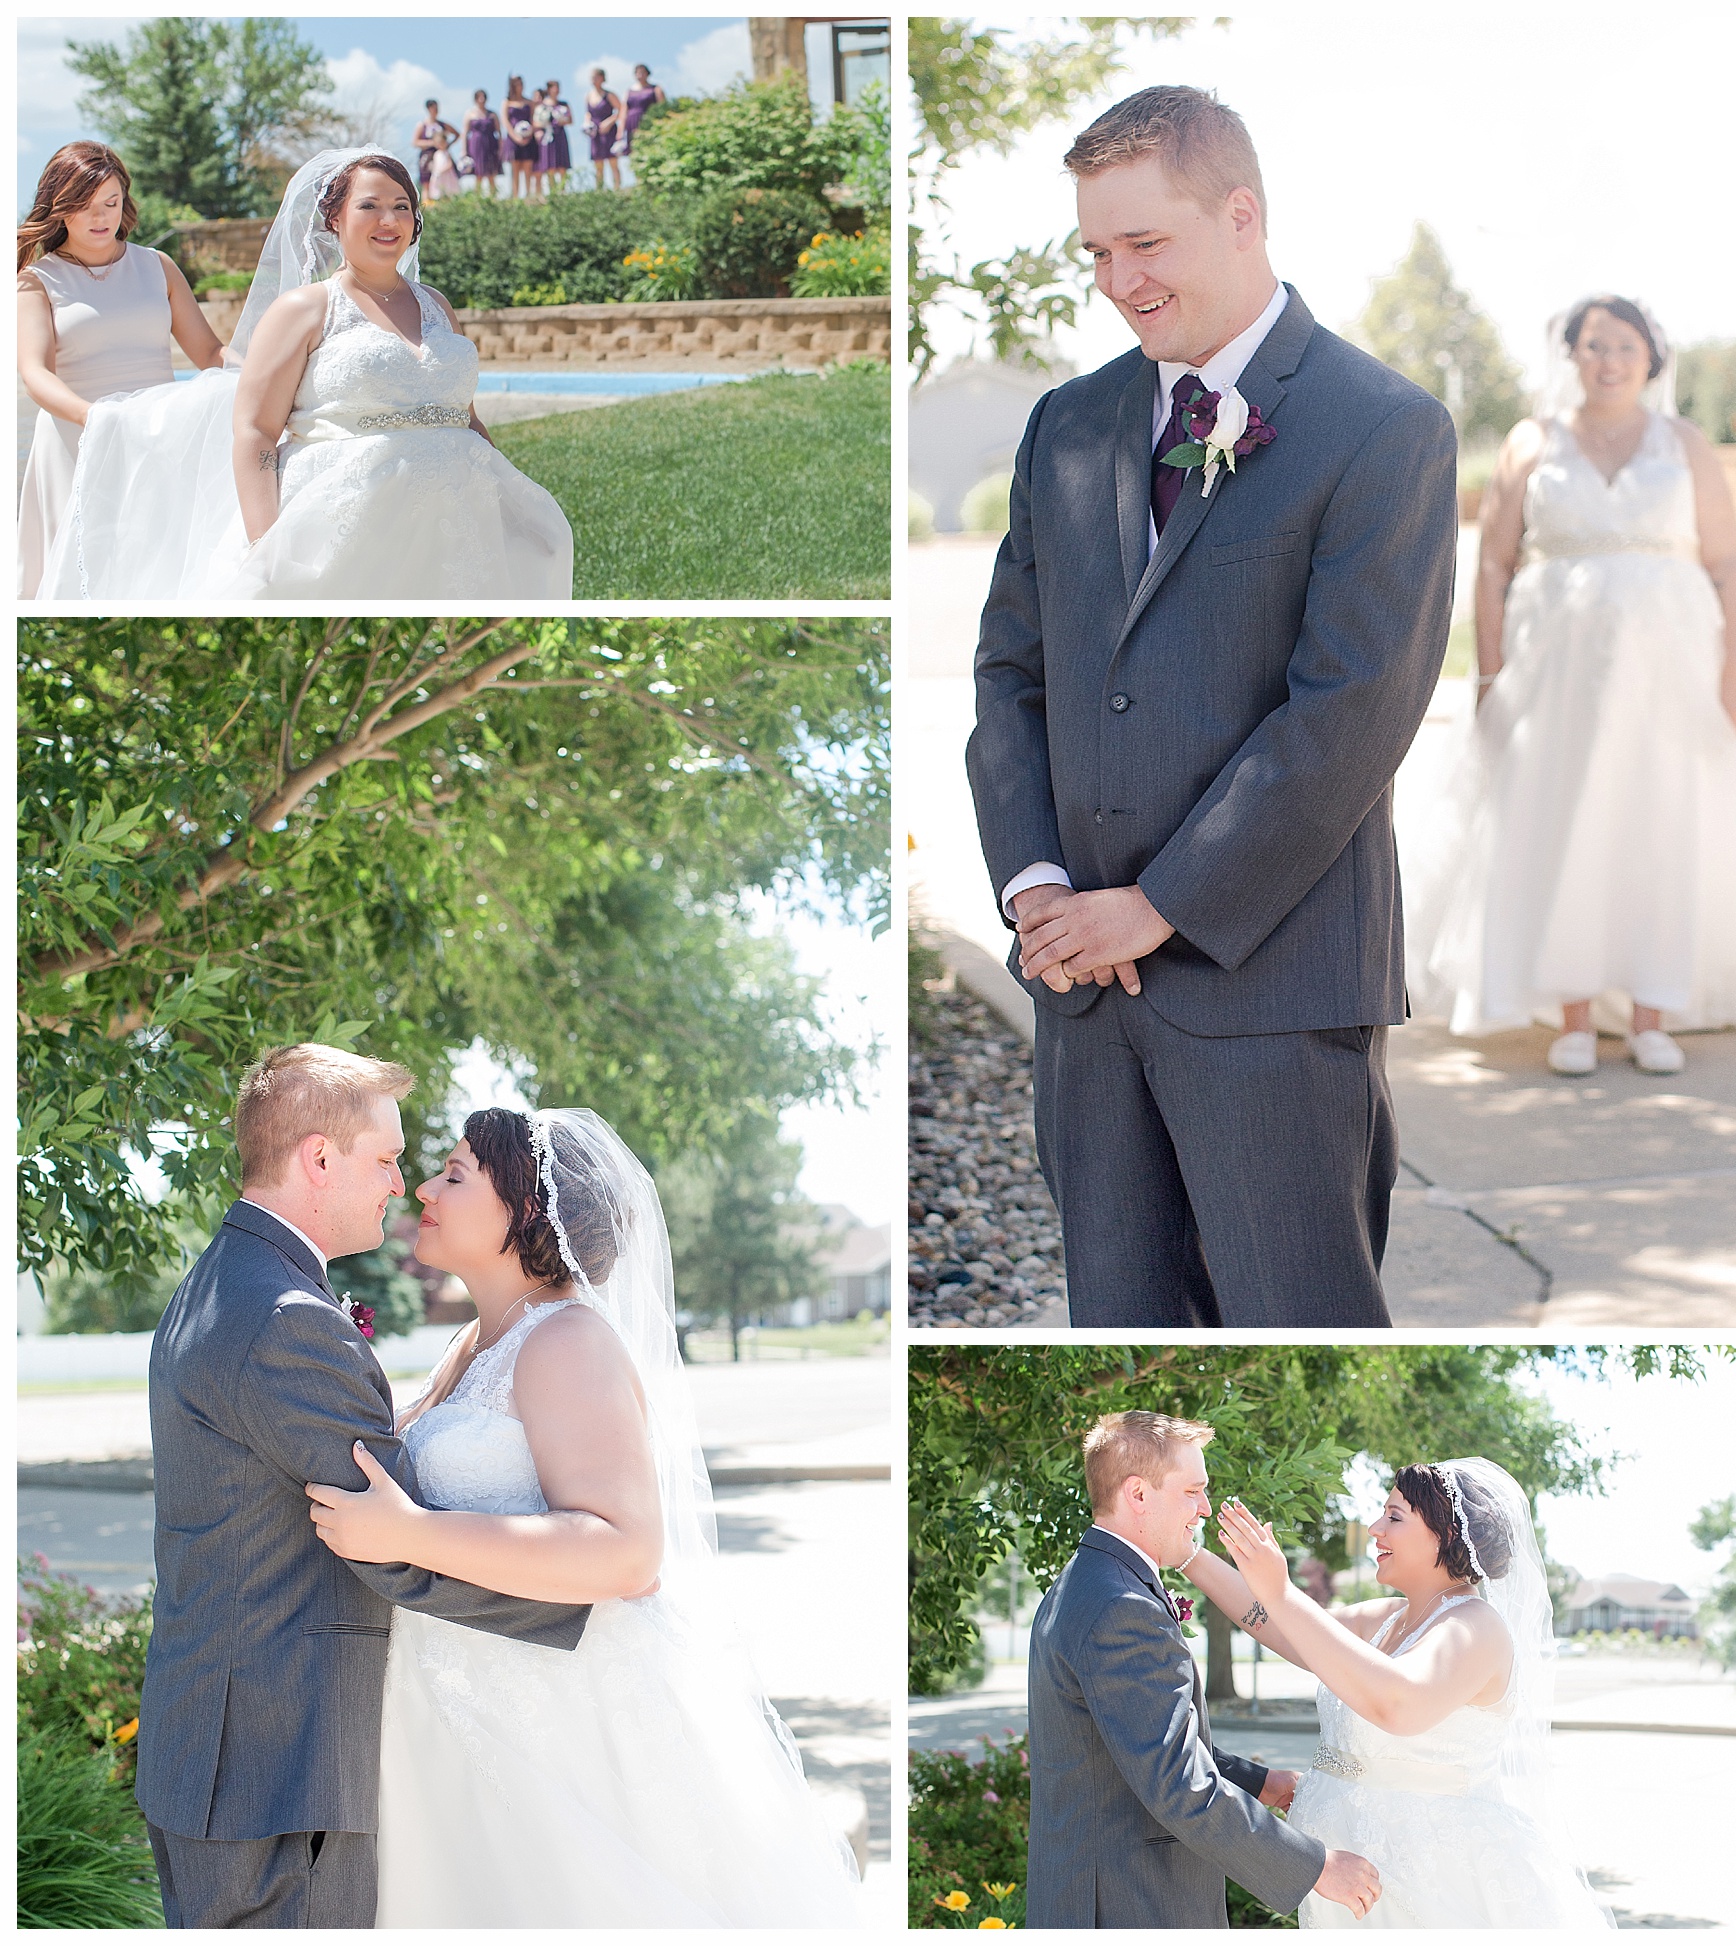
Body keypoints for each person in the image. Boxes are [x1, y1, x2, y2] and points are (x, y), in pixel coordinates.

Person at [965, 86, 1456, 1329]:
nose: (1118, 281)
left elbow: (1348, 715)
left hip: (1275, 997)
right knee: (1121, 1343)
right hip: (1082, 996)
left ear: (1242, 215)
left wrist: (1158, 905)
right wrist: (1037, 892)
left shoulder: (1384, 428)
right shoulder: (1064, 427)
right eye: (1096, 253)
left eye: (1145, 245)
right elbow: (1009, 676)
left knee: (1298, 1323)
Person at [305, 1106, 863, 1927]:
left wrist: (408, 1534)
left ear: (525, 1211)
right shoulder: (474, 1342)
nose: (424, 1187)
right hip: (458, 1710)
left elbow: (626, 1551)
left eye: (455, 1175)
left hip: (553, 1723)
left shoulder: (568, 1342)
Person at [134, 1046, 592, 1929]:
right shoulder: (285, 1321)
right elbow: (387, 1540)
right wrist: (597, 1601)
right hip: (276, 1772)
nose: (402, 1183)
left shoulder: (222, 1285)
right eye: (385, 1159)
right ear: (318, 1158)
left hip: (224, 1753)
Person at [1402, 295, 1736, 1076]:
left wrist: (1734, 676)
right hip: (1554, 675)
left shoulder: (1686, 446)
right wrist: (1490, 671)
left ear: (1651, 356)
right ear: (1570, 356)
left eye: (1625, 345)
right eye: (1593, 345)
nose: (1609, 360)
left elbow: (1728, 565)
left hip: (1668, 673)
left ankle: (1652, 1013)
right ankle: (1571, 1014)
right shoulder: (1531, 442)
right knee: (1563, 822)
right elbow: (1498, 564)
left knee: (1660, 825)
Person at [40, 146, 573, 599]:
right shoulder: (303, 309)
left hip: (460, 518)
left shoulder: (437, 305)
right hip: (348, 523)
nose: (388, 220)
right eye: (370, 206)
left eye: (401, 207)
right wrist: (265, 543)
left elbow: (467, 419)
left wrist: (512, 499)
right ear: (334, 218)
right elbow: (255, 431)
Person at [1196, 1464, 1615, 1928]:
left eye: (1394, 1517)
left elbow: (1397, 1706)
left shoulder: (1475, 1627)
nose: (1375, 1529)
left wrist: (1281, 1593)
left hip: (1436, 1883)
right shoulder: (1387, 1619)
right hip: (1357, 1877)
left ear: (1446, 1533)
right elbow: (1278, 1623)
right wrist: (1189, 1555)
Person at [1027, 1411, 1382, 1928]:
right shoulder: (1121, 1606)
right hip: (1129, 1906)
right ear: (1138, 1495)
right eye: (1193, 1491)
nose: (1205, 1509)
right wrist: (1317, 1866)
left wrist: (1261, 1782)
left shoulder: (1088, 1581)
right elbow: (1178, 1782)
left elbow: (1142, 1742)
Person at [17, 142, 227, 596]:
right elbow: (35, 373)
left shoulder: (158, 266)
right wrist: (96, 418)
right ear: (60, 208)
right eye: (85, 206)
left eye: (111, 203)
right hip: (79, 441)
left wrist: (265, 374)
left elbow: (210, 354)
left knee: (157, 571)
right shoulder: (37, 281)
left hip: (157, 439)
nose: (101, 217)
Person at [585, 68, 624, 190]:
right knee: (598, 164)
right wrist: (587, 123)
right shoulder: (588, 96)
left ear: (602, 78)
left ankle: (617, 188)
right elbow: (588, 113)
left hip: (609, 131)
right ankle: (599, 190)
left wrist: (609, 121)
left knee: (613, 161)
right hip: (595, 133)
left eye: (596, 77)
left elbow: (621, 109)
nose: (593, 80)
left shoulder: (609, 95)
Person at [621, 63, 666, 160]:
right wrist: (620, 130)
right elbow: (624, 111)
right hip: (632, 123)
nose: (640, 75)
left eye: (642, 72)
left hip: (648, 122)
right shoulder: (628, 91)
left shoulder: (655, 89)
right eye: (638, 73)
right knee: (633, 151)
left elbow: (662, 107)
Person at [502, 77, 537, 199]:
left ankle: (528, 195)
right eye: (517, 84)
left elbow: (533, 119)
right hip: (513, 138)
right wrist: (515, 136)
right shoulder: (507, 102)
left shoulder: (529, 102)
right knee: (515, 168)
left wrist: (529, 133)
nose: (520, 86)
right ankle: (515, 196)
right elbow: (505, 121)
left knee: (528, 167)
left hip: (528, 138)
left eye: (521, 83)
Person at [411, 100, 457, 192]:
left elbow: (457, 134)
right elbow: (415, 142)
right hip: (427, 156)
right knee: (426, 182)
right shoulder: (422, 125)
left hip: (441, 156)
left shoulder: (442, 124)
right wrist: (432, 143)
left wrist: (447, 145)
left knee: (443, 181)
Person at [463, 88, 502, 196]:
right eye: (479, 97)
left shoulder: (492, 114)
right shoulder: (470, 114)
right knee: (478, 172)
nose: (482, 99)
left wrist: (500, 148)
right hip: (476, 145)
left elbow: (499, 132)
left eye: (483, 97)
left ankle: (493, 197)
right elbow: (465, 133)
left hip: (490, 144)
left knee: (491, 172)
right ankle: (478, 197)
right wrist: (464, 150)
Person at [538, 78, 573, 193]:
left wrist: (563, 120)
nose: (557, 90)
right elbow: (535, 122)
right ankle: (552, 191)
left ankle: (563, 190)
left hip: (560, 135)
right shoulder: (542, 105)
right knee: (550, 165)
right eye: (554, 88)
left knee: (562, 163)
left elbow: (571, 120)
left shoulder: (564, 104)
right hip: (548, 136)